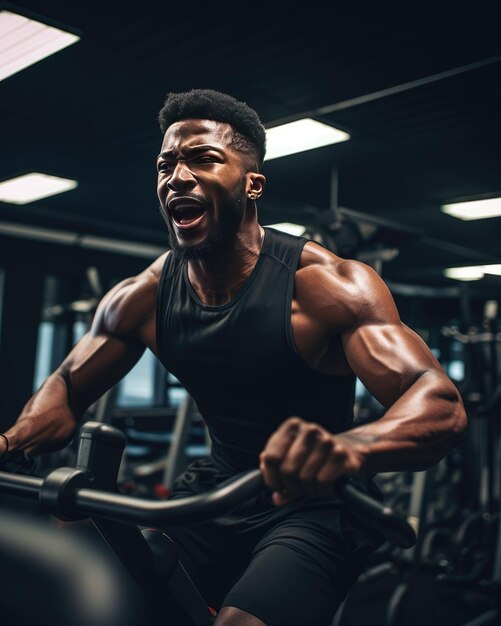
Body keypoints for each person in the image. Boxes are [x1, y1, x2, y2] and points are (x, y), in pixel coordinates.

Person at [0, 89, 466, 626]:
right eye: (166, 164)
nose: (178, 176)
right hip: (219, 489)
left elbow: (440, 405)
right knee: (107, 595)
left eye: (203, 159)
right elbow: (67, 388)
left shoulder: (325, 286)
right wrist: (11, 440)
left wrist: (349, 446)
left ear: (252, 185)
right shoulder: (142, 297)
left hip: (315, 501)